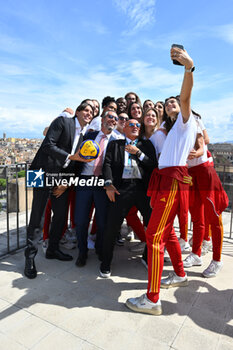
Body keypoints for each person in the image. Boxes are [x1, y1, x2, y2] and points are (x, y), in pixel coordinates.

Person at [126, 46, 198, 315]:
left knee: (154, 237)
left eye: (174, 102)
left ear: (181, 107)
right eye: (166, 102)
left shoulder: (184, 120)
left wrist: (188, 68)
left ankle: (152, 299)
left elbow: (186, 97)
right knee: (165, 235)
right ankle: (178, 273)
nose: (171, 104)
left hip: (170, 180)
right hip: (167, 179)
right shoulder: (170, 130)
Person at [27, 102, 94, 262]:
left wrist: (67, 182)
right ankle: (29, 258)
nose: (89, 113)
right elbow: (47, 145)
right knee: (38, 217)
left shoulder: (83, 136)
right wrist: (70, 156)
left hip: (62, 178)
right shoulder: (62, 121)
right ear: (77, 112)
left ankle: (53, 249)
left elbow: (76, 165)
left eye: (92, 112)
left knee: (61, 216)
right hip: (40, 172)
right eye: (86, 110)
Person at [99, 119, 157, 277]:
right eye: (131, 125)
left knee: (152, 226)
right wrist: (109, 184)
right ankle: (105, 262)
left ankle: (147, 257)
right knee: (112, 226)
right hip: (121, 189)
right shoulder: (115, 145)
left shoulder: (146, 145)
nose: (135, 127)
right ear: (124, 128)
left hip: (142, 190)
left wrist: (137, 153)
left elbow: (153, 165)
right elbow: (107, 165)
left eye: (138, 125)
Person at [74, 110, 118, 267]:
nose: (112, 120)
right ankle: (82, 252)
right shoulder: (89, 136)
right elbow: (76, 157)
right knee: (80, 220)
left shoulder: (117, 141)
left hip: (102, 184)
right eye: (110, 117)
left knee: (102, 221)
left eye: (115, 118)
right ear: (102, 119)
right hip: (84, 181)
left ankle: (100, 249)